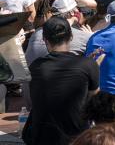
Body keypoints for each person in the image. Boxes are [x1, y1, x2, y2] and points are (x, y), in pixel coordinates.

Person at [22, 17, 99, 145]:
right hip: (76, 136)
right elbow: (95, 99)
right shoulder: (89, 65)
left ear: (45, 40)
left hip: (42, 137)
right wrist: (91, 67)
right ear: (71, 37)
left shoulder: (35, 67)